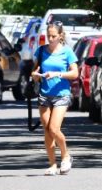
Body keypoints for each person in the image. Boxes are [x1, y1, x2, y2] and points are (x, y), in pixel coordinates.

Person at [31, 21, 79, 175]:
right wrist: (35, 75)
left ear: (60, 36)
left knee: (54, 128)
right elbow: (34, 71)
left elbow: (75, 73)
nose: (50, 39)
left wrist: (58, 74)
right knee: (47, 130)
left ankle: (66, 156)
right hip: (44, 94)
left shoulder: (67, 52)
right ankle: (52, 165)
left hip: (61, 95)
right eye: (48, 36)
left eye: (53, 36)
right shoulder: (41, 51)